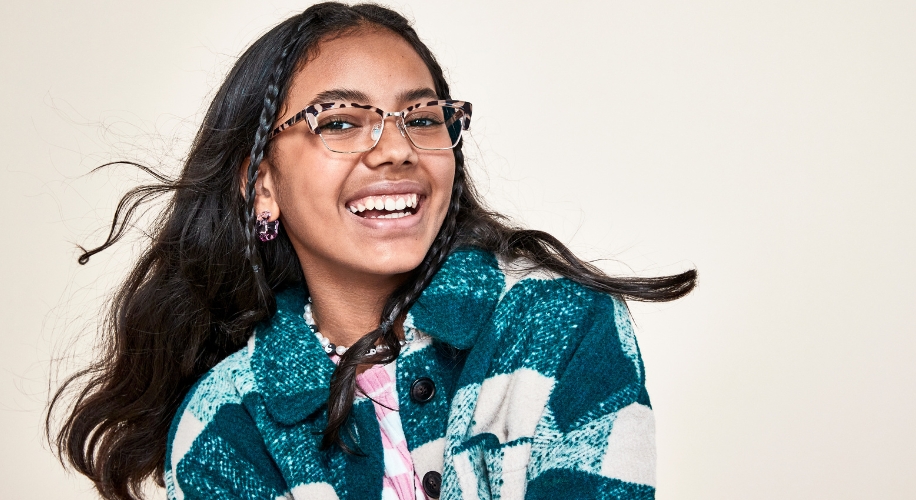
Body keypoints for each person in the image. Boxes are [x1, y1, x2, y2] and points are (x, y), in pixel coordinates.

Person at [48, 3, 696, 499]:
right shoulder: (224, 426)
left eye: (421, 117)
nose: (395, 149)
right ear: (261, 184)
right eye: (339, 121)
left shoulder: (558, 325)